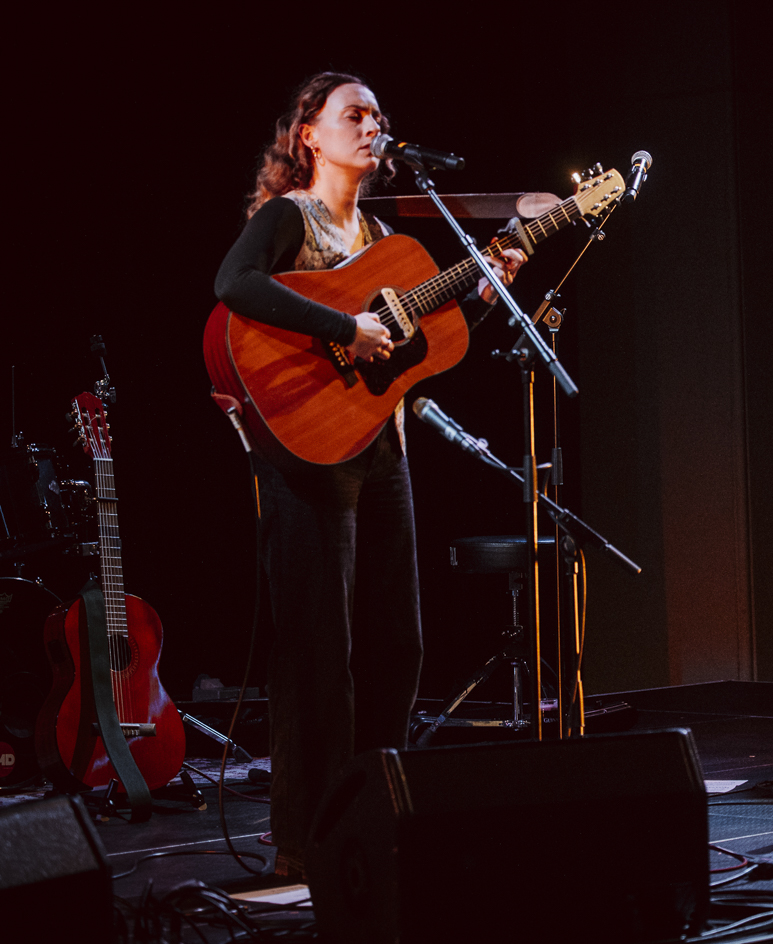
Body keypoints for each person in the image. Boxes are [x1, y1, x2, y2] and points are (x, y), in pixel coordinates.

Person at [213, 72, 524, 877]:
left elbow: (420, 344)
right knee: (320, 651)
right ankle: (303, 839)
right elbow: (234, 285)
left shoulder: (383, 236)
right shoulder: (291, 216)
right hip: (306, 451)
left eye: (378, 114)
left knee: (398, 643)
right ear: (309, 135)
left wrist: (484, 293)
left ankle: (375, 813)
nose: (371, 124)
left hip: (382, 447)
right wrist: (342, 326)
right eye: (353, 113)